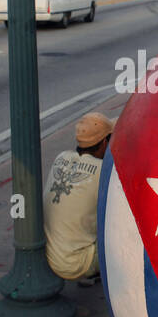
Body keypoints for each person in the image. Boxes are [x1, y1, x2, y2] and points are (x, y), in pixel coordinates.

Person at [43, 112, 114, 285]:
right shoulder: (103, 171)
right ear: (104, 142)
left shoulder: (61, 157)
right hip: (75, 264)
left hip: (48, 255)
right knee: (131, 230)